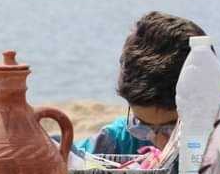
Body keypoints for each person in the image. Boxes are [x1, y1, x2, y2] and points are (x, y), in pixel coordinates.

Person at [76, 11, 206, 155]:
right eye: (143, 126)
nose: (161, 144)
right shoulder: (118, 142)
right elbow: (67, 153)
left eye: (173, 129)